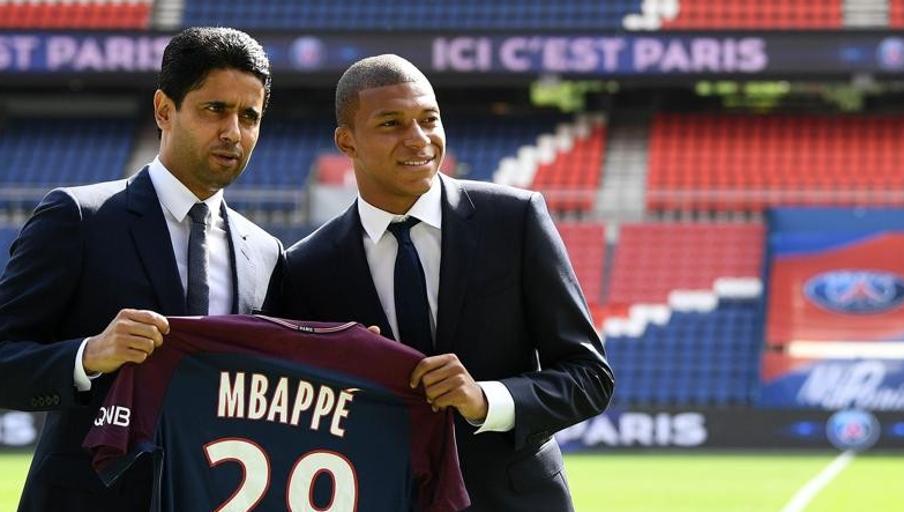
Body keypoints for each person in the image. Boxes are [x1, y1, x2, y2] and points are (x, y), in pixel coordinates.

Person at [271, 54, 614, 511]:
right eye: (391, 123)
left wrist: (485, 400)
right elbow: (297, 410)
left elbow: (589, 376)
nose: (419, 138)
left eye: (428, 119)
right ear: (346, 141)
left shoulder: (515, 220)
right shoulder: (306, 267)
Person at [0, 27, 281, 511]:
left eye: (249, 116)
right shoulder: (79, 218)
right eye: (215, 109)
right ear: (164, 110)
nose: (233, 132)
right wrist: (88, 356)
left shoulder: (267, 251)